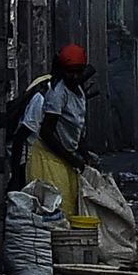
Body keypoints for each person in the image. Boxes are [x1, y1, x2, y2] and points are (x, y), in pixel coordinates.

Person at [18, 45, 91, 216]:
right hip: (49, 159)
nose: (74, 76)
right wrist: (72, 158)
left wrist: (84, 155)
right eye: (70, 72)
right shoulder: (57, 94)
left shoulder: (78, 91)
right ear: (62, 70)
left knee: (72, 208)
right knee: (58, 211)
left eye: (78, 72)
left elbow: (77, 127)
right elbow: (46, 132)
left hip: (66, 158)